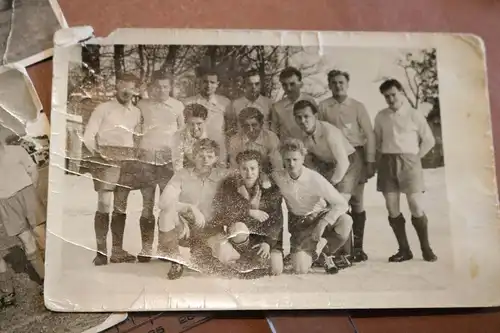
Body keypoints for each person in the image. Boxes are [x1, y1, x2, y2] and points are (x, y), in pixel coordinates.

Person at [82, 73, 142, 266]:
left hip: (127, 160)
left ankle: (117, 251)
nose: (127, 91)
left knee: (120, 206)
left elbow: (137, 138)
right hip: (105, 160)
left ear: (135, 90)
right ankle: (101, 253)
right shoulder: (103, 108)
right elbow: (89, 136)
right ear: (117, 86)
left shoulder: (136, 112)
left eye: (131, 88)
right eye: (123, 87)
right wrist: (99, 155)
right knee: (104, 204)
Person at [374, 79, 437, 263]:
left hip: (410, 162)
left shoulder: (414, 114)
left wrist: (416, 157)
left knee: (415, 205)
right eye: (387, 96)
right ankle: (404, 250)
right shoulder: (381, 116)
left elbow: (429, 140)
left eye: (393, 94)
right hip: (387, 162)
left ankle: (426, 248)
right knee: (392, 207)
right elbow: (377, 140)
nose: (391, 99)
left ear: (400, 92)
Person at [318, 69, 376, 262]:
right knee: (335, 200)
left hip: (355, 155)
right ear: (329, 85)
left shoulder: (357, 107)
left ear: (347, 84)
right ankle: (338, 248)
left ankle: (358, 248)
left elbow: (369, 134)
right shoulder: (324, 106)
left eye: (341, 82)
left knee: (357, 201)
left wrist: (369, 161)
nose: (338, 86)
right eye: (334, 83)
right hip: (332, 158)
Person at [272, 138, 353, 275]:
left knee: (346, 221)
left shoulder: (314, 178)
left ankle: (325, 249)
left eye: (295, 159)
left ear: (303, 158)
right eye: (287, 160)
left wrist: (323, 223)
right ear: (283, 160)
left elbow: (341, 203)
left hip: (319, 216)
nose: (291, 164)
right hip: (300, 225)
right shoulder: (278, 176)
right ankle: (318, 255)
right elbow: (264, 179)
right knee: (300, 269)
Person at [157, 139, 230, 279]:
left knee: (217, 260)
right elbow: (162, 202)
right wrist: (190, 208)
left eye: (210, 156)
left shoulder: (222, 175)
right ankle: (176, 261)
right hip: (187, 228)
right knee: (166, 214)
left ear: (215, 158)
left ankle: (201, 254)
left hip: (211, 230)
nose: (205, 160)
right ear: (193, 156)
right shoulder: (182, 175)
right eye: (201, 156)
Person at [133, 71, 185, 263]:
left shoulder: (178, 106)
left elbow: (182, 134)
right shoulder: (142, 105)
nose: (161, 90)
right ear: (152, 87)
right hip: (146, 162)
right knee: (146, 207)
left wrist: (179, 162)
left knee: (167, 206)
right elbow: (135, 131)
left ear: (170, 87)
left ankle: (165, 249)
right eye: (158, 86)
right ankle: (146, 248)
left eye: (165, 86)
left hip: (168, 164)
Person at [207, 150, 284, 276]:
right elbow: (223, 210)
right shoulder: (229, 185)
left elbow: (277, 220)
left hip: (262, 237)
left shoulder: (271, 188)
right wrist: (248, 211)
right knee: (239, 228)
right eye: (244, 169)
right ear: (239, 169)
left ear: (259, 168)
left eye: (253, 168)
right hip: (239, 237)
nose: (249, 173)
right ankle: (241, 258)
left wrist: (268, 242)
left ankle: (244, 260)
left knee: (276, 269)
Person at [0, 138, 45, 308]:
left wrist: (31, 190)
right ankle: (45, 279)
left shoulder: (17, 150)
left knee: (40, 236)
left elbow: (32, 169)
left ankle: (56, 276)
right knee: (27, 241)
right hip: (5, 202)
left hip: (26, 193)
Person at [183, 68, 231, 165]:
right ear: (199, 83)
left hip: (219, 149)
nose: (208, 85)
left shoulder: (225, 103)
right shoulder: (188, 102)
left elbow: (229, 129)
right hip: (197, 149)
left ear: (217, 84)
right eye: (205, 82)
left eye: (212, 82)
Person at [171, 103, 225, 171]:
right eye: (191, 124)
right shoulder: (178, 136)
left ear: (205, 121)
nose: (195, 128)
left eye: (199, 123)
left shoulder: (215, 135)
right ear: (185, 122)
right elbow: (177, 166)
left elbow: (221, 163)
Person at [228, 107, 282, 174]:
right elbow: (234, 168)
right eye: (246, 125)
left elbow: (277, 167)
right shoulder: (235, 140)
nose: (251, 130)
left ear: (261, 124)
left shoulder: (271, 137)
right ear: (242, 126)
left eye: (254, 125)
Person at [270, 67, 316, 140]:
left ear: (300, 84)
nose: (288, 88)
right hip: (289, 148)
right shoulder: (277, 107)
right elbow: (273, 132)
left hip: (310, 147)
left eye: (292, 84)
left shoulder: (310, 101)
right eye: (284, 85)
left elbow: (318, 126)